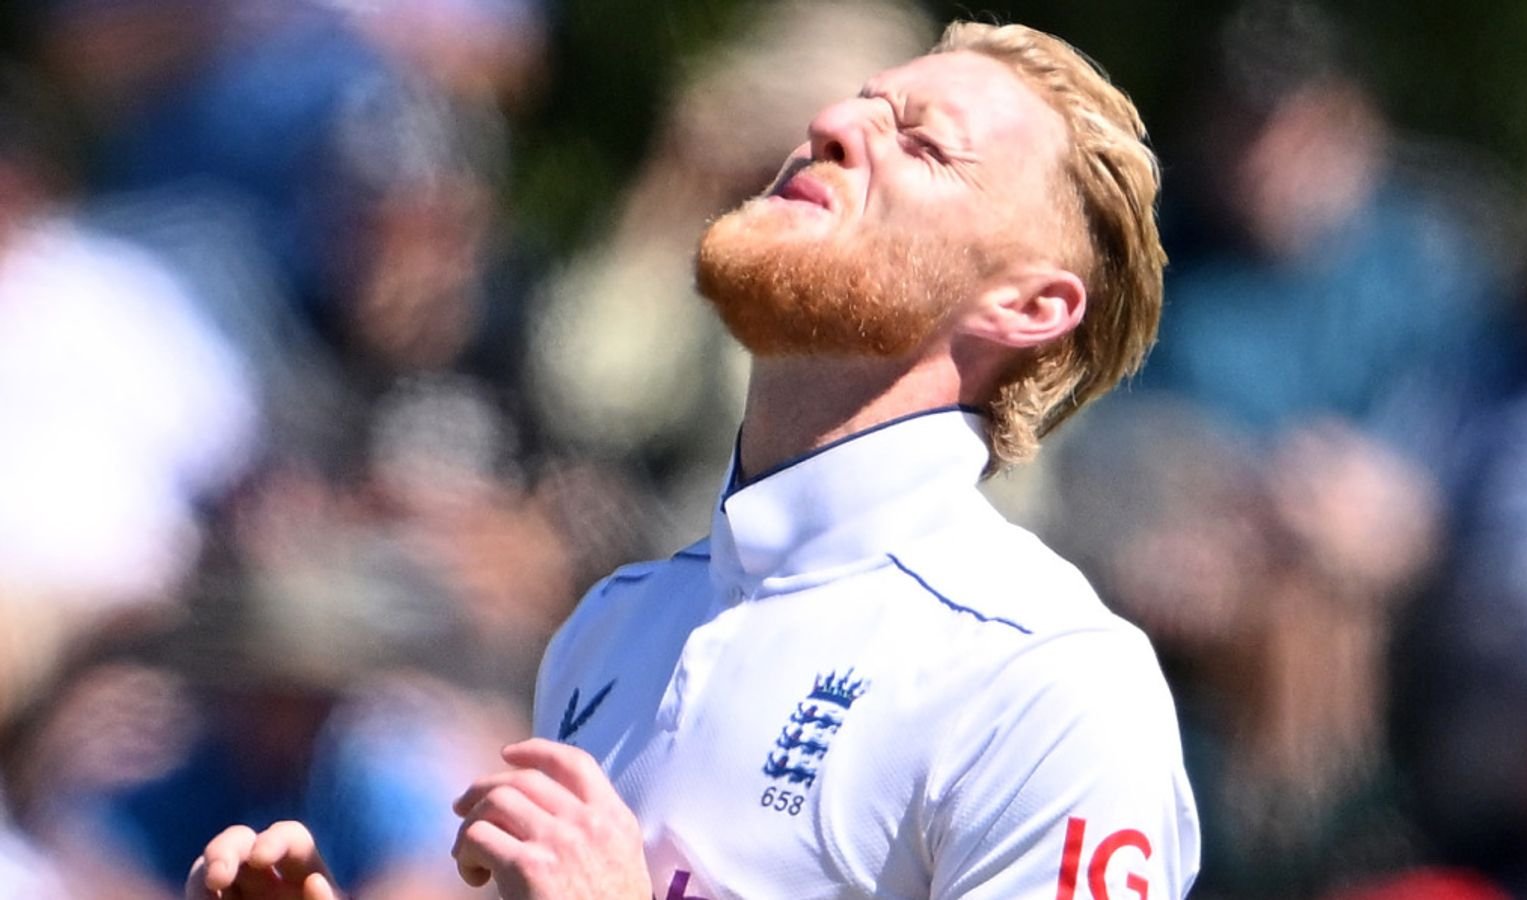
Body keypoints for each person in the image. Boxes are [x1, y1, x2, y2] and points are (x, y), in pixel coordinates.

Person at [185, 19, 1201, 899]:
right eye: (858, 106)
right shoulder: (615, 626)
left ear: (1027, 306)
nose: (830, 126)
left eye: (925, 146)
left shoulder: (1048, 681)